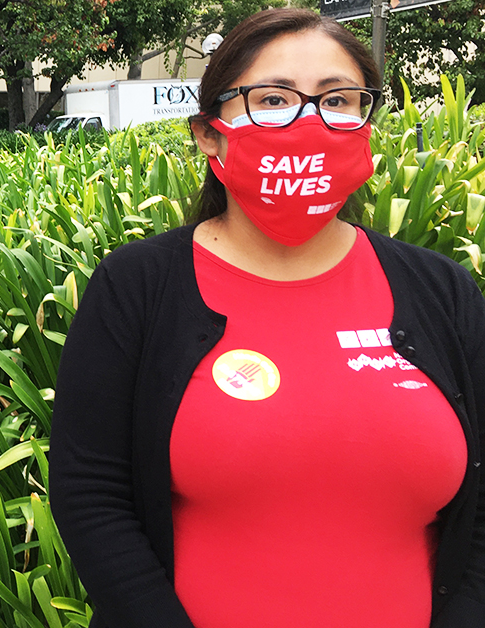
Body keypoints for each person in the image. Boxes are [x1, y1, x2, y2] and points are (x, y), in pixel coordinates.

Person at [48, 9, 485, 628]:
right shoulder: (138, 287)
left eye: (338, 99)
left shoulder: (440, 290)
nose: (309, 121)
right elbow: (91, 494)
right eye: (273, 98)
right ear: (208, 133)